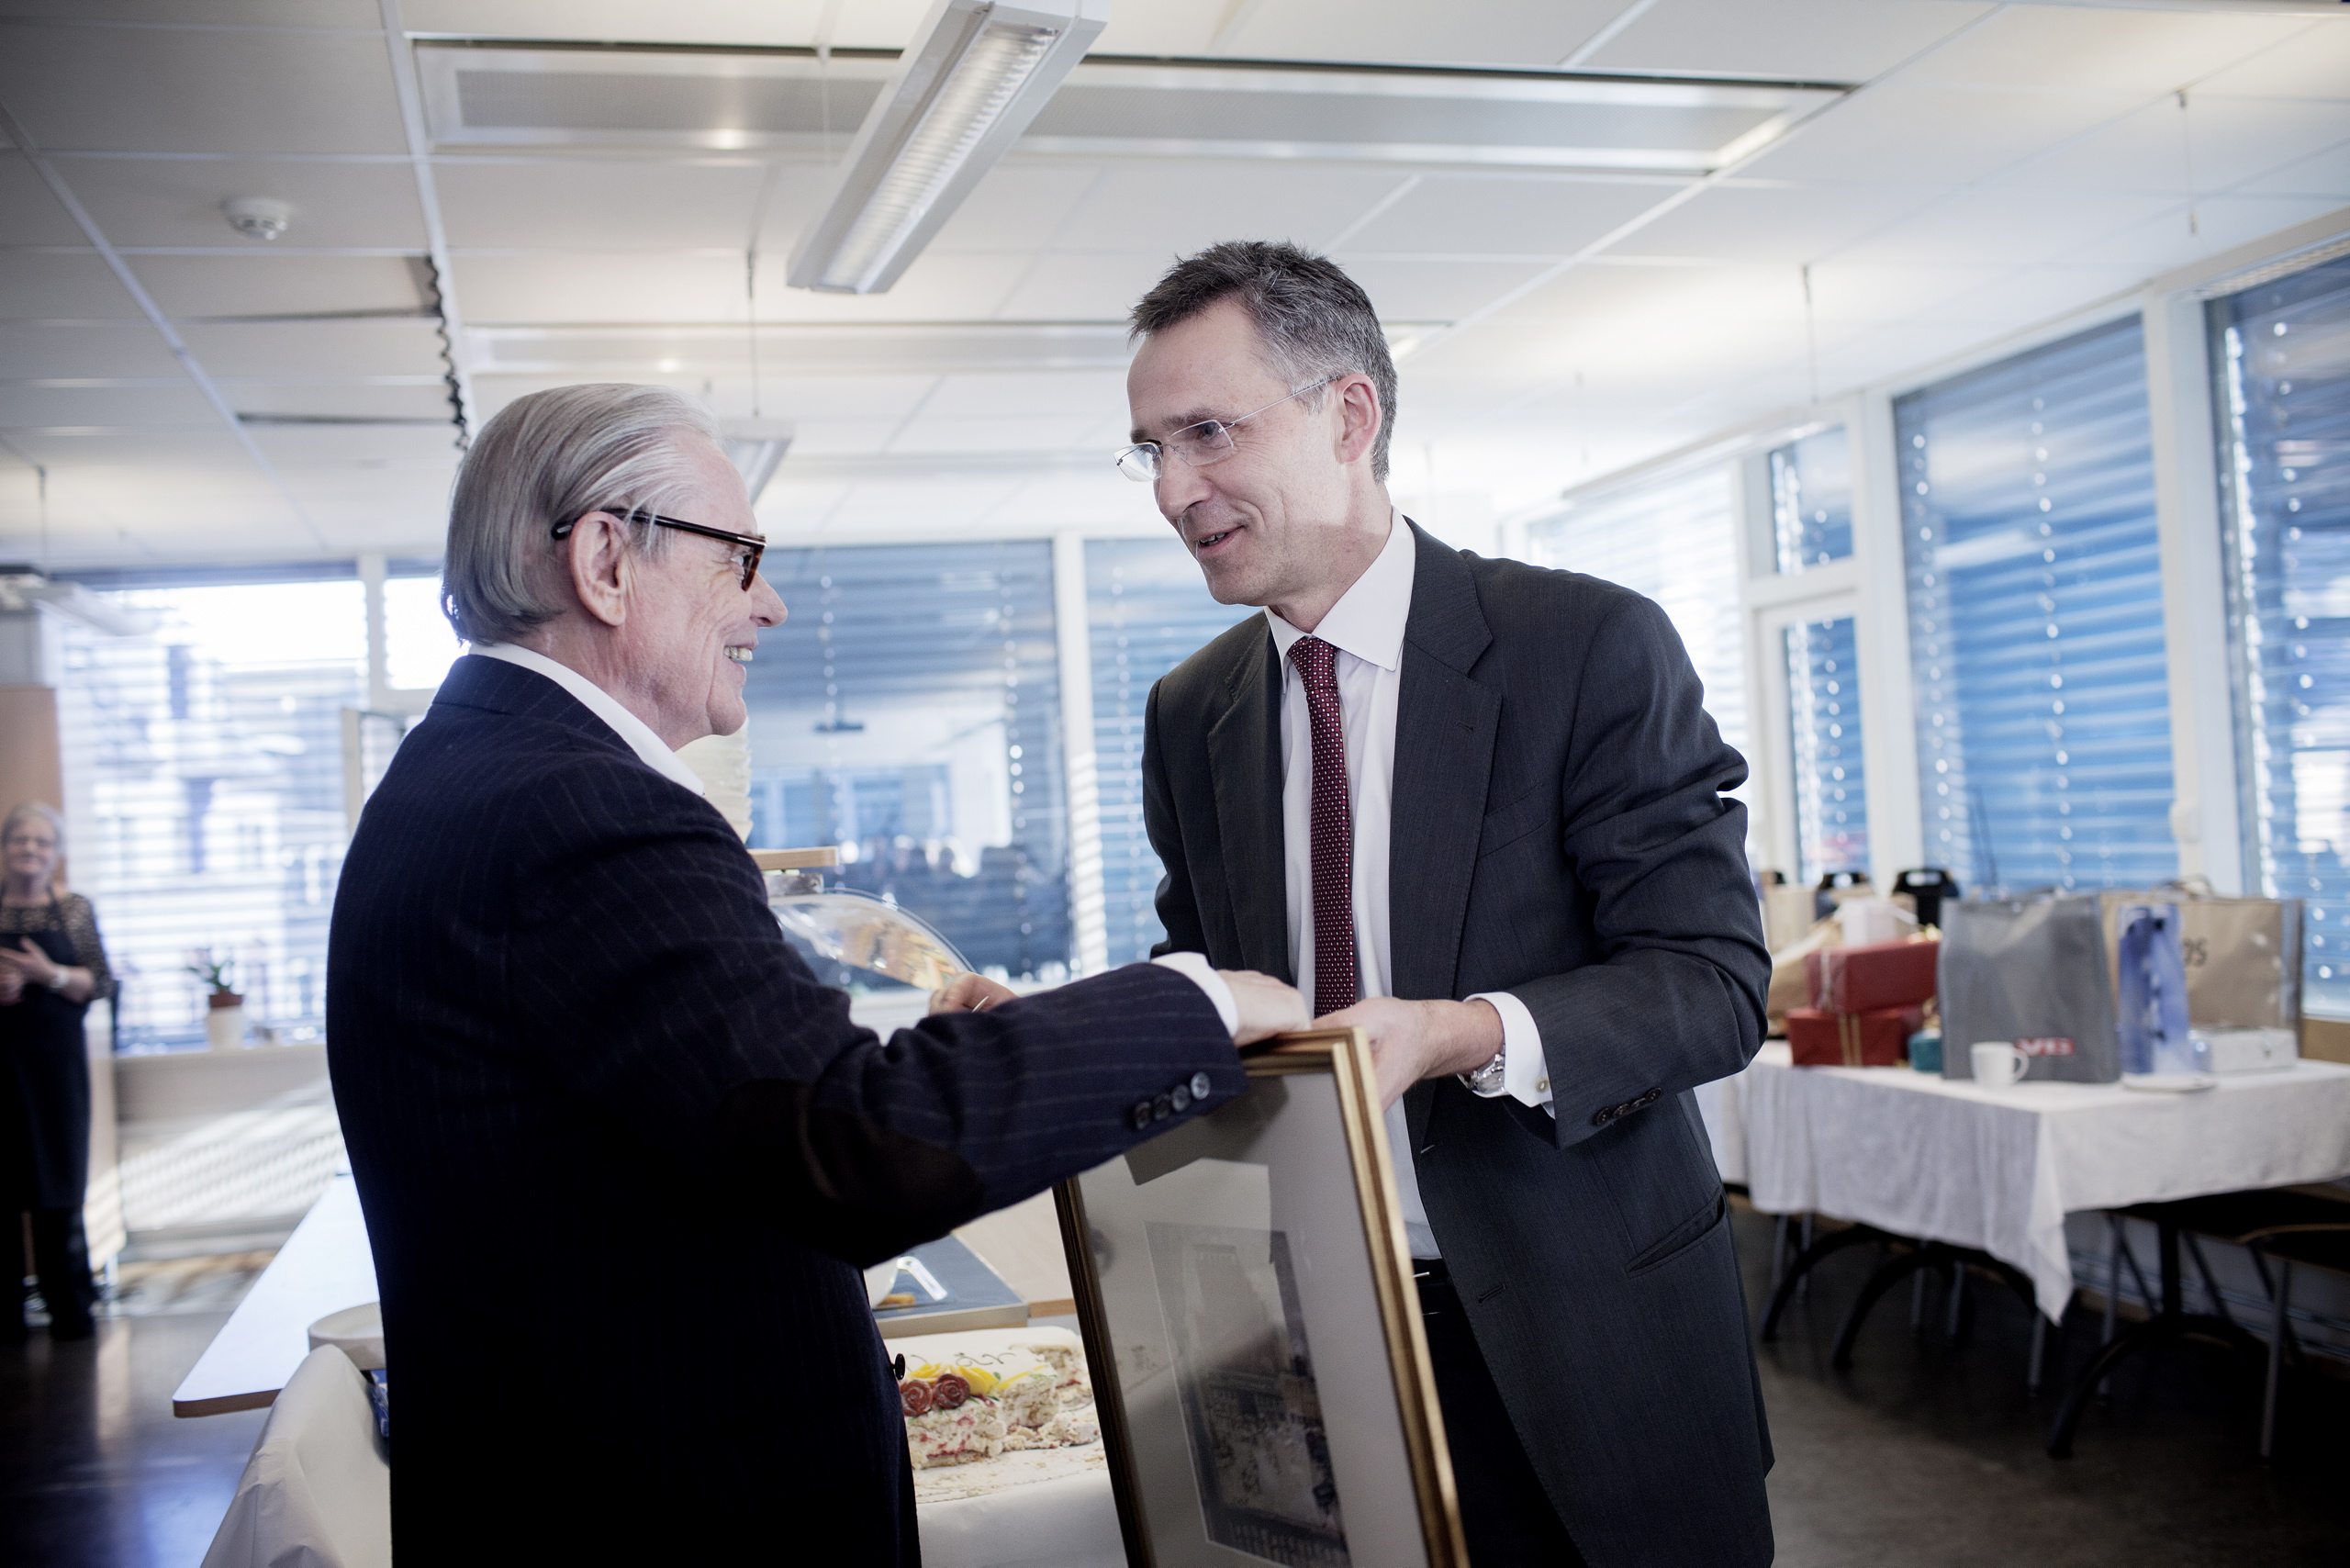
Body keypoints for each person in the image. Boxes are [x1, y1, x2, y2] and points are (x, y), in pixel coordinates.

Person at [326, 383, 1304, 1565]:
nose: (771, 605)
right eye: (741, 558)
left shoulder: (470, 773)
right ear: (603, 559)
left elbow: (742, 1103)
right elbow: (848, 1143)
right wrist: (1198, 1001)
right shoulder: (585, 807)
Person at [1126, 242, 1774, 1568]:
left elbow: (1712, 984)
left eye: (1207, 433)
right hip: (1310, 1335)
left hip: (1589, 1332)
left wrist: (1453, 1034)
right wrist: (1079, 1026)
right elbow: (1212, 981)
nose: (1174, 489)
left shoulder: (1585, 646)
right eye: (1149, 449)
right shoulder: (1192, 711)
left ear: (1347, 416)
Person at [0, 801, 112, 1343]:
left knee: (58, 1184)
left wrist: (47, 975)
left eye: (42, 842)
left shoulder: (72, 909)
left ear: (57, 853)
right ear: (5, 848)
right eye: (21, 840)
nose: (30, 850)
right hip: (1, 1067)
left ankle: (70, 1312)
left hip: (55, 1068)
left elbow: (100, 983)